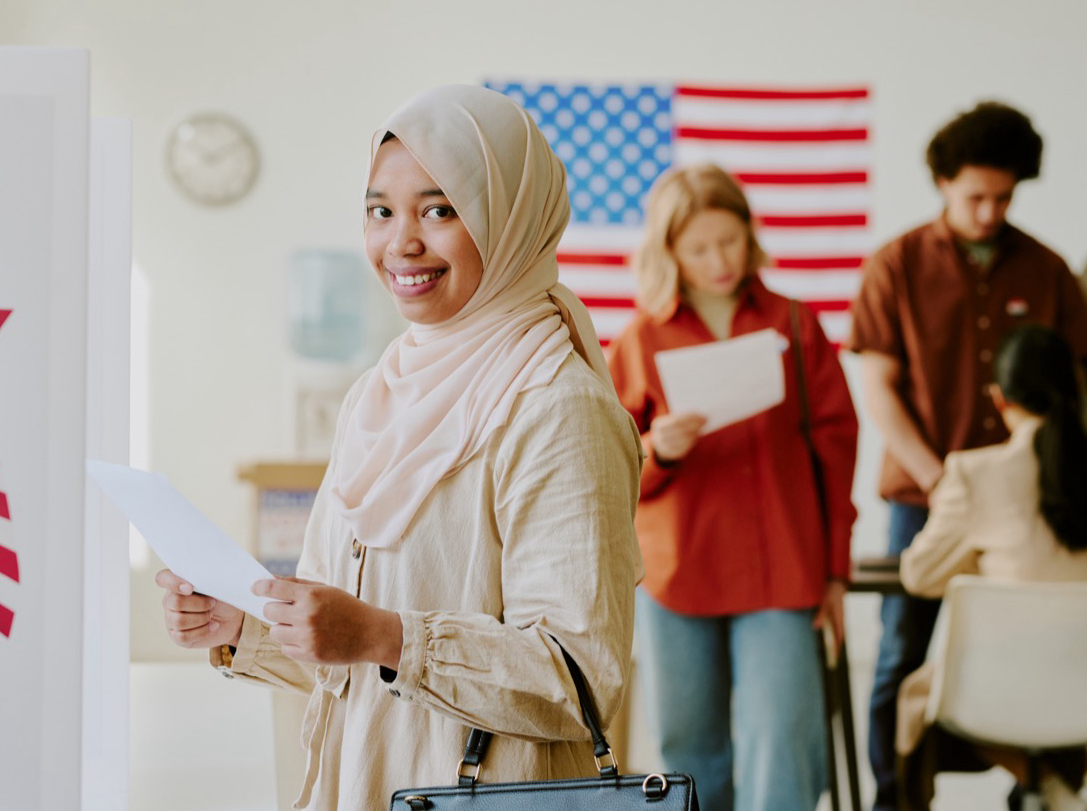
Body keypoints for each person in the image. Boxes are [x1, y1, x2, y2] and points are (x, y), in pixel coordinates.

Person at [155, 85, 644, 811]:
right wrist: (244, 626)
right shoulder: (379, 392)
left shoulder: (553, 402)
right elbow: (353, 656)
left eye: (440, 209)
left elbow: (577, 678)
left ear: (509, 217)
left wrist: (386, 636)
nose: (401, 241)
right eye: (381, 210)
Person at [847, 100, 1087, 811]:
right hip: (922, 502)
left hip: (1039, 498)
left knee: (1042, 651)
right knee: (900, 653)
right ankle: (895, 799)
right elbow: (880, 391)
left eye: (1003, 198)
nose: (989, 211)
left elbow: (1072, 389)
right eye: (974, 196)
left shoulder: (1046, 271)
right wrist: (944, 477)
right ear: (942, 182)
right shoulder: (894, 265)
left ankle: (1042, 782)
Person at [607, 163, 859, 811]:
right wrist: (653, 449)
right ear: (668, 253)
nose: (718, 260)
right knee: (691, 748)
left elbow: (835, 452)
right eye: (698, 248)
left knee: (783, 739)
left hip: (783, 569)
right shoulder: (638, 340)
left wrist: (834, 571)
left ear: (750, 235)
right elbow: (600, 467)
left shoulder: (797, 326)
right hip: (678, 573)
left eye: (729, 240)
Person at [894, 324, 1087, 811]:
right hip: (1081, 688)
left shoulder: (974, 475)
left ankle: (1042, 786)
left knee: (917, 696)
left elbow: (919, 576)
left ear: (999, 397)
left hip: (1000, 690)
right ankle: (1054, 790)